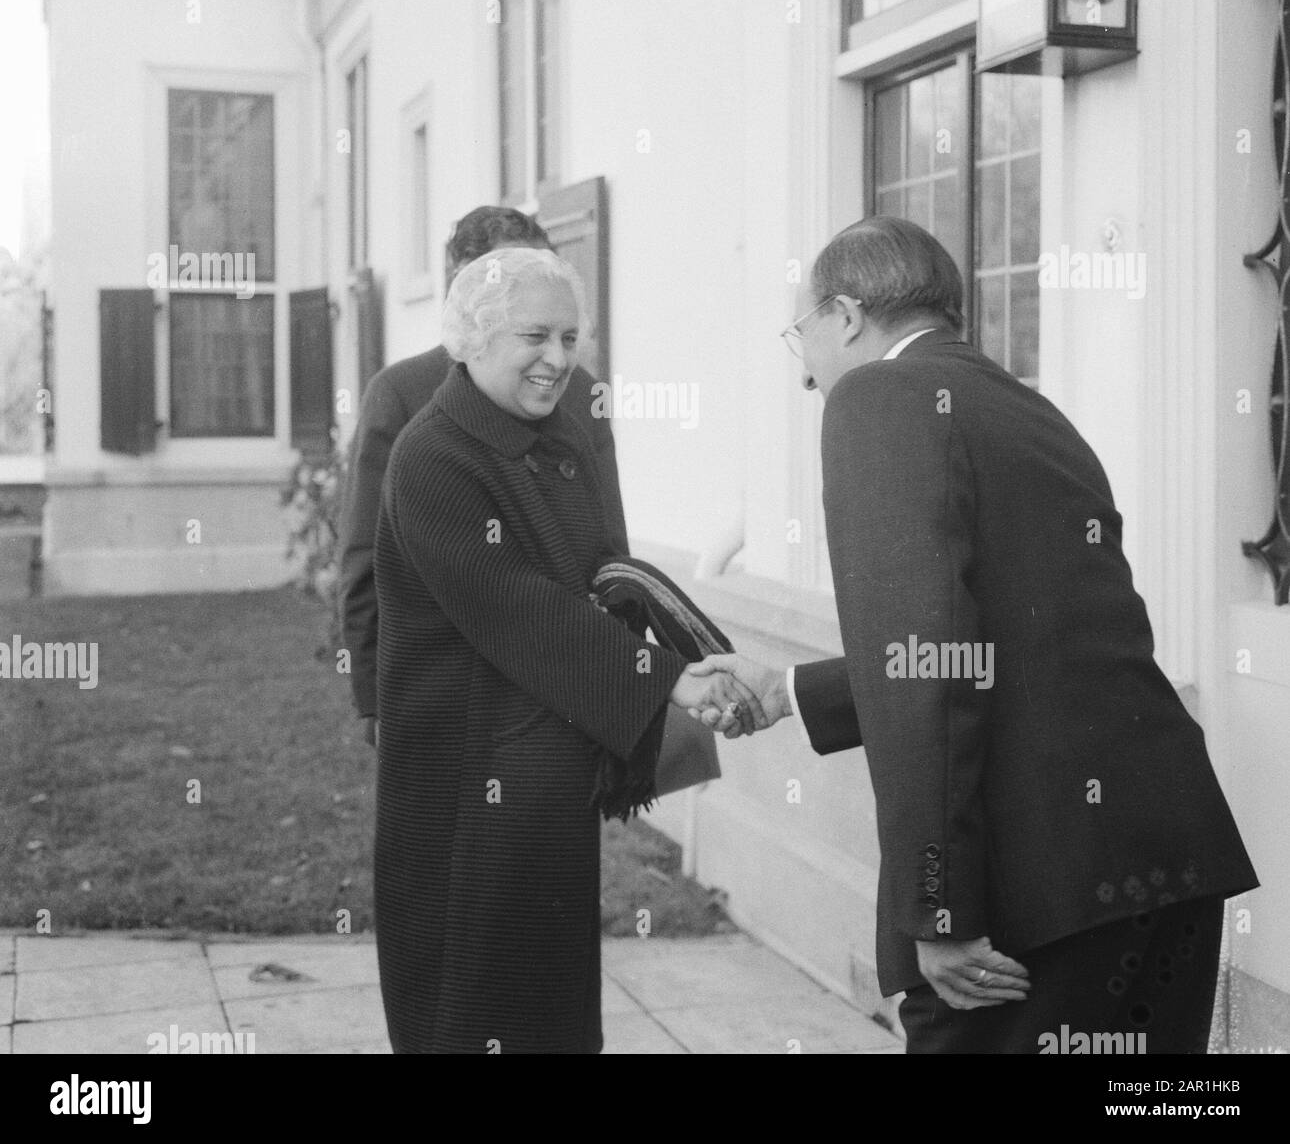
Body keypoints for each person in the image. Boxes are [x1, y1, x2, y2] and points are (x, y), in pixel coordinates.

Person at [689, 216, 1258, 1054]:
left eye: (800, 334)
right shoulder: (1027, 408)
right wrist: (787, 691)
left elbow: (931, 676)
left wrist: (936, 904)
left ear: (845, 314)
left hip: (1037, 895)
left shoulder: (877, 397)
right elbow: (1001, 640)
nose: (806, 372)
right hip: (1158, 857)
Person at [372, 247, 739, 1054]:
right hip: (467, 780)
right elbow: (522, 610)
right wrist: (667, 679)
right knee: (468, 1001)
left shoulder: (558, 428)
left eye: (570, 338)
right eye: (534, 336)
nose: (558, 359)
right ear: (470, 339)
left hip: (546, 767)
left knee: (550, 1007)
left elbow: (601, 569)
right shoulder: (434, 456)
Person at [337, 206, 627, 747]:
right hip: (447, 686)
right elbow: (365, 556)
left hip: (564, 677)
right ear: (461, 287)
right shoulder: (401, 393)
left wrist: (625, 674)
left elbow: (609, 543)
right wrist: (373, 695)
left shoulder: (581, 393)